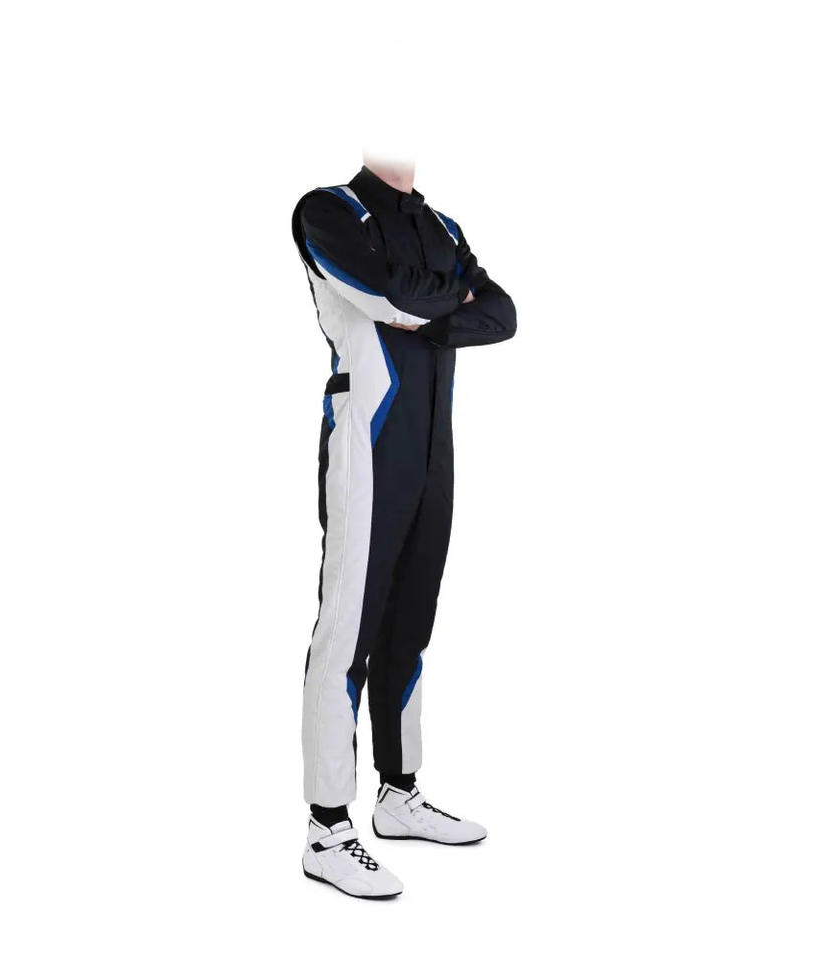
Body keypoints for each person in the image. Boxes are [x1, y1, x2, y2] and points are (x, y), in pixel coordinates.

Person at [291, 157, 516, 899]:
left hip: (431, 449)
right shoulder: (328, 210)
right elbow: (384, 295)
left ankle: (398, 795)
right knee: (348, 631)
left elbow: (503, 314)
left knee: (410, 624)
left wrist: (428, 308)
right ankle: (327, 828)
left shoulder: (442, 226)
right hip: (367, 438)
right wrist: (451, 301)